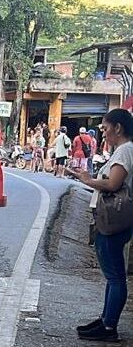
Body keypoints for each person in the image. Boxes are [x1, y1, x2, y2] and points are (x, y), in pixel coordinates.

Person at [67, 109, 133, 343]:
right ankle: (106, 319)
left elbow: (113, 184)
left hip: (114, 221)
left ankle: (109, 326)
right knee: (113, 274)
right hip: (116, 220)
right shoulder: (124, 150)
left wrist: (87, 180)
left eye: (105, 129)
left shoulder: (124, 150)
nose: (103, 134)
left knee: (115, 276)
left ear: (118, 128)